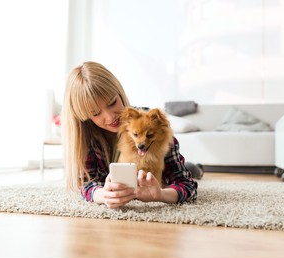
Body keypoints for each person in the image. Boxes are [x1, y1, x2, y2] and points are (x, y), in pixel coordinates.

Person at [62, 61, 198, 209]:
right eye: (95, 113)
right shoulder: (86, 137)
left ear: (120, 92)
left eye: (112, 102)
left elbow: (187, 185)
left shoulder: (152, 124)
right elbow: (85, 184)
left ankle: (196, 168)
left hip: (165, 172)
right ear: (85, 116)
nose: (110, 117)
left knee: (191, 170)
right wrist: (102, 195)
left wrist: (160, 195)